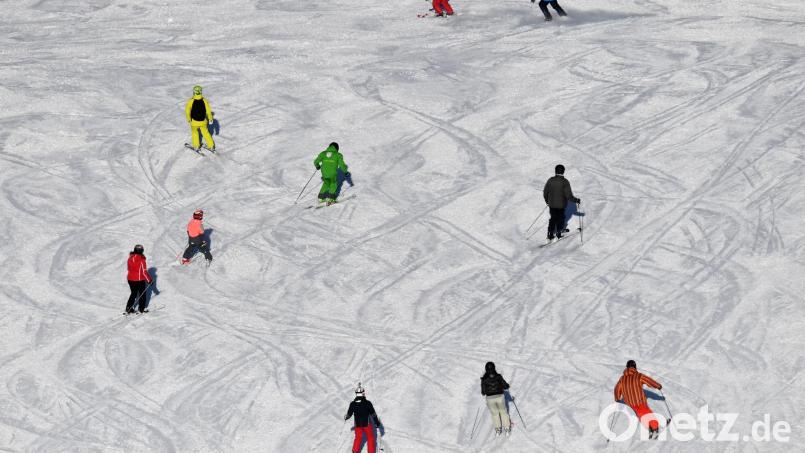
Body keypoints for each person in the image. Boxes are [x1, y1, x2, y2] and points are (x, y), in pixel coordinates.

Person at [614, 360, 663, 436]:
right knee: (647, 412)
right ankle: (655, 427)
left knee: (640, 414)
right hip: (639, 400)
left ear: (627, 367)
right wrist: (658, 386)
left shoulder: (622, 379)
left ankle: (649, 427)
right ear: (635, 367)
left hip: (630, 403)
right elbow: (649, 381)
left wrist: (617, 398)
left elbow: (617, 389)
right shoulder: (638, 376)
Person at [543, 164, 580, 242]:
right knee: (561, 218)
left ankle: (550, 234)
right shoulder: (565, 182)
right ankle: (559, 233)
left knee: (553, 218)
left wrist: (547, 201)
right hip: (561, 205)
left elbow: (545, 192)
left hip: (552, 204)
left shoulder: (550, 180)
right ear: (563, 171)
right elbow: (569, 196)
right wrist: (576, 200)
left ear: (555, 171)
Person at [345, 383, 383, 453]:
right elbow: (373, 414)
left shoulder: (352, 404)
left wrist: (346, 417)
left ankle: (355, 451)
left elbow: (349, 414)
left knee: (358, 437)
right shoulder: (368, 403)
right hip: (366, 424)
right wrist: (377, 422)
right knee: (370, 438)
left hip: (357, 424)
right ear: (362, 393)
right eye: (363, 392)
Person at [481, 362, 511, 435]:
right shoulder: (498, 376)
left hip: (490, 399)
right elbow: (505, 386)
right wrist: (507, 386)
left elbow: (483, 392)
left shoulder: (484, 379)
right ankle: (507, 428)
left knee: (495, 414)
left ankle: (498, 429)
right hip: (500, 397)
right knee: (503, 412)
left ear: (486, 369)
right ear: (494, 368)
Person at [185, 85, 215, 151]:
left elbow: (187, 111)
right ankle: (211, 146)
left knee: (195, 133)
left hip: (194, 122)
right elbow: (208, 111)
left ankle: (196, 146)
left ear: (194, 92)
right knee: (206, 133)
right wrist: (210, 118)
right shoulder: (204, 100)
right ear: (201, 92)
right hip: (203, 121)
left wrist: (188, 119)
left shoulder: (190, 101)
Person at [126, 244, 153, 313]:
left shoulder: (130, 258)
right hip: (139, 280)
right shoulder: (142, 260)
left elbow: (129, 268)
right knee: (142, 294)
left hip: (130, 279)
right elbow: (144, 272)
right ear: (141, 251)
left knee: (133, 293)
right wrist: (149, 280)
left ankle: (128, 307)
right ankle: (141, 308)